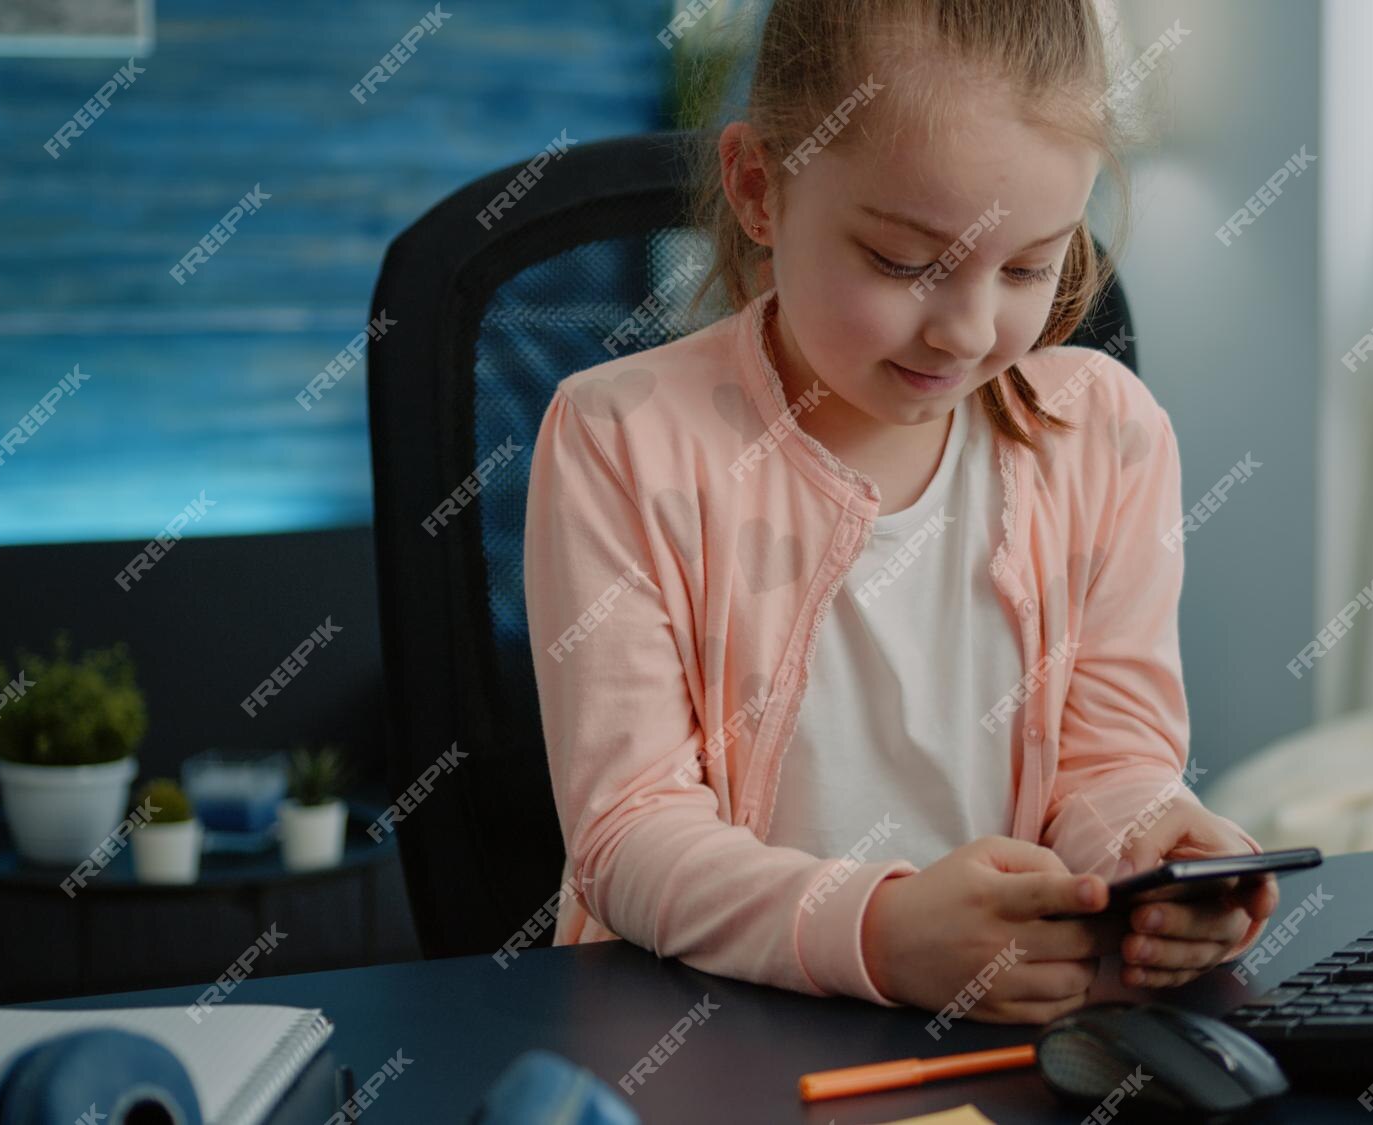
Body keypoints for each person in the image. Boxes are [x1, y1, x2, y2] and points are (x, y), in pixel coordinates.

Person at [523, 0, 1276, 1026]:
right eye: (901, 263)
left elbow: (1111, 765)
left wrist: (1159, 847)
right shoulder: (621, 436)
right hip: (710, 1034)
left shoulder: (1104, 433)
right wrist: (879, 932)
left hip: (1003, 1036)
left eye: (1023, 267)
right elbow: (628, 838)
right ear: (756, 188)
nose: (965, 331)